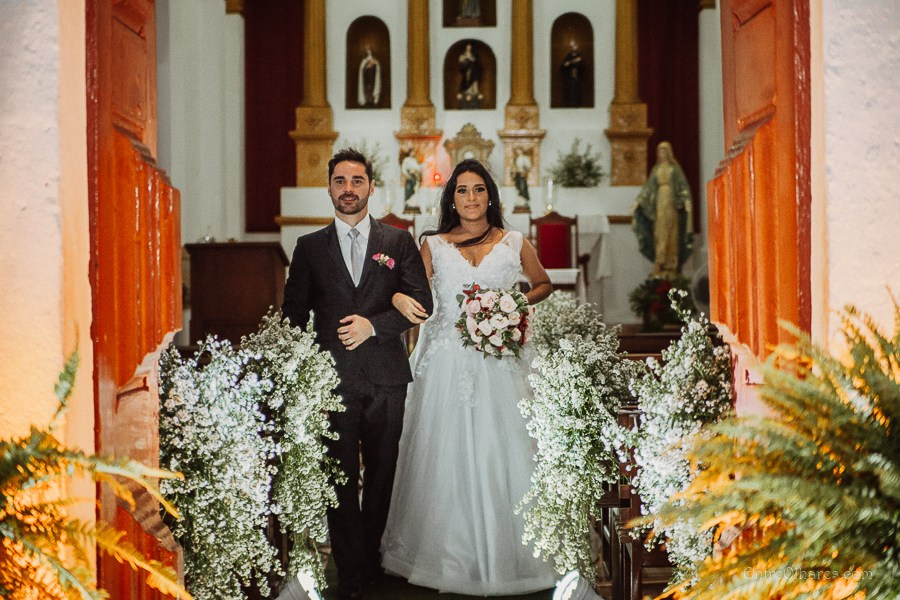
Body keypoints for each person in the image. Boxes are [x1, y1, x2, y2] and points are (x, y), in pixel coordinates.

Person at [380, 159, 557, 595]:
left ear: (490, 195)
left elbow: (543, 284)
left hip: (500, 359)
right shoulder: (433, 244)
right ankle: (446, 553)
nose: (472, 198)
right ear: (451, 198)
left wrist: (510, 307)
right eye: (462, 190)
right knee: (443, 452)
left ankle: (512, 553)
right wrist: (408, 345)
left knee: (503, 447)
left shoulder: (514, 241)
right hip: (444, 362)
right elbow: (418, 301)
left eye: (479, 189)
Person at [282, 148, 433, 600]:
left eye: (357, 180)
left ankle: (374, 558)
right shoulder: (309, 248)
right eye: (340, 181)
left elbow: (422, 302)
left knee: (384, 471)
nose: (349, 189)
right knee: (340, 476)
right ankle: (350, 569)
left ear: (370, 187)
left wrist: (375, 324)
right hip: (333, 380)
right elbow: (293, 315)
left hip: (387, 376)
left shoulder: (398, 242)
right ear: (329, 188)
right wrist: (306, 363)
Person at [632, 141, 694, 277]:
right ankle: (659, 262)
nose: (662, 154)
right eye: (660, 151)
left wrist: (686, 200)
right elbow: (648, 188)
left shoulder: (674, 169)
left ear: (668, 152)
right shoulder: (656, 169)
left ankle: (671, 264)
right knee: (660, 232)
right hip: (660, 202)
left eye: (664, 151)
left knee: (672, 233)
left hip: (672, 204)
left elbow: (683, 186)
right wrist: (638, 201)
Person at [457, 43, 483, 109]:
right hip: (466, 70)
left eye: (470, 47)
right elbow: (460, 60)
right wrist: (465, 58)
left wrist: (469, 58)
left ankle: (474, 91)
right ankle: (466, 91)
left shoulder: (474, 54)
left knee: (474, 80)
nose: (469, 48)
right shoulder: (463, 54)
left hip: (473, 70)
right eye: (467, 47)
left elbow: (475, 60)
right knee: (466, 80)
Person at [561, 39, 585, 107]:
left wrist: (572, 63)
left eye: (574, 45)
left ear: (577, 46)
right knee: (570, 92)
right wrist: (572, 62)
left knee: (577, 92)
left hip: (577, 78)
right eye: (571, 46)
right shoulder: (569, 55)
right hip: (570, 78)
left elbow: (582, 66)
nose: (572, 47)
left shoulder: (580, 55)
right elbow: (564, 65)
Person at [399, 146, 422, 213]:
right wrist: (407, 175)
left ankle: (413, 203)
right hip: (410, 176)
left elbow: (418, 168)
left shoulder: (415, 160)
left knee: (416, 189)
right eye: (412, 152)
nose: (413, 153)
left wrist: (419, 170)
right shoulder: (406, 160)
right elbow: (403, 169)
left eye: (414, 152)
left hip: (415, 176)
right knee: (410, 189)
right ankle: (409, 203)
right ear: (409, 153)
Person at [512, 146, 532, 211]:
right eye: (517, 151)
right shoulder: (516, 158)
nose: (518, 152)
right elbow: (514, 167)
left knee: (522, 187)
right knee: (518, 187)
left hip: (522, 174)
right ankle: (520, 199)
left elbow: (528, 166)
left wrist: (525, 170)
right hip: (517, 174)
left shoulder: (525, 158)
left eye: (519, 150)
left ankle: (523, 199)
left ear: (521, 150)